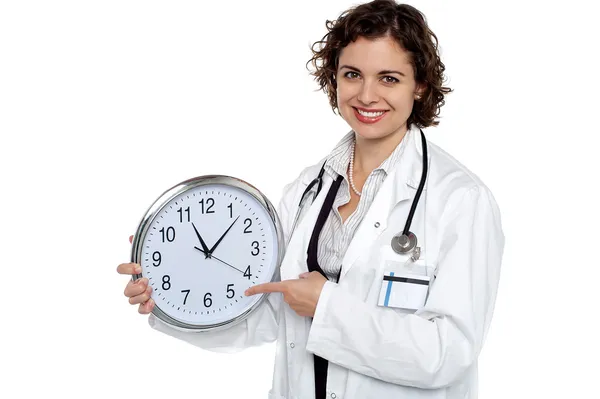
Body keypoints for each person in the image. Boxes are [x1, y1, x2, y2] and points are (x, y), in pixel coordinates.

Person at [117, 1, 505, 398]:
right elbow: (265, 314)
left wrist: (328, 307)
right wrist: (167, 301)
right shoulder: (308, 189)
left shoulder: (460, 200)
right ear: (334, 78)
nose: (366, 95)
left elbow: (448, 352)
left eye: (389, 78)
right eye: (352, 74)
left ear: (420, 85)